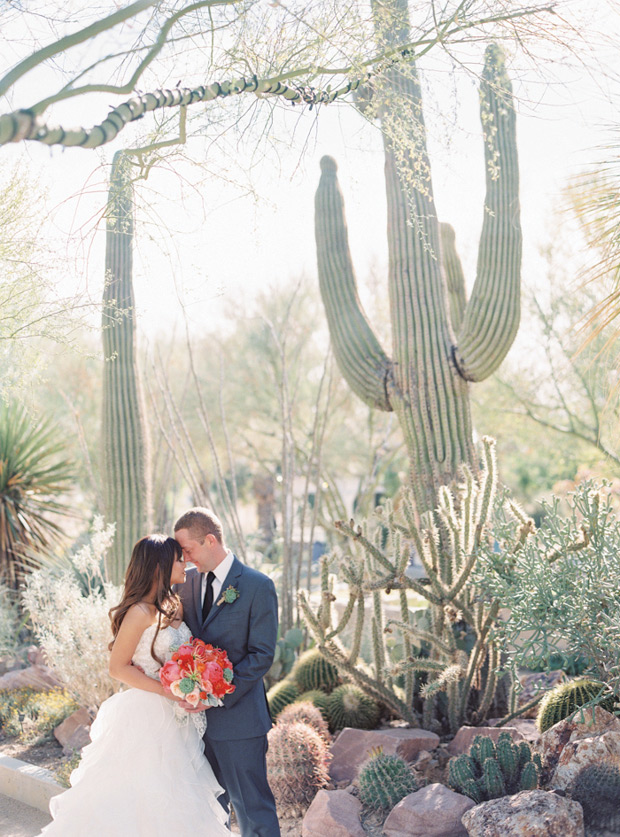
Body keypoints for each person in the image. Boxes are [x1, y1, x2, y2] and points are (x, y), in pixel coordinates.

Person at [40, 534, 230, 837]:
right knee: (146, 795)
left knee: (178, 796)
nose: (186, 563)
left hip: (180, 717)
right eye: (179, 558)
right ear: (160, 565)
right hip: (148, 715)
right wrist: (167, 690)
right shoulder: (139, 612)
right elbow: (117, 667)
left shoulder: (174, 605)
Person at [174, 507, 280, 837]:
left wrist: (214, 695)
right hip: (193, 724)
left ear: (209, 540)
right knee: (207, 807)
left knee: (252, 807)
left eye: (188, 550)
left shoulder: (256, 585)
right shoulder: (185, 583)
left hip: (240, 721)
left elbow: (261, 656)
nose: (185, 558)